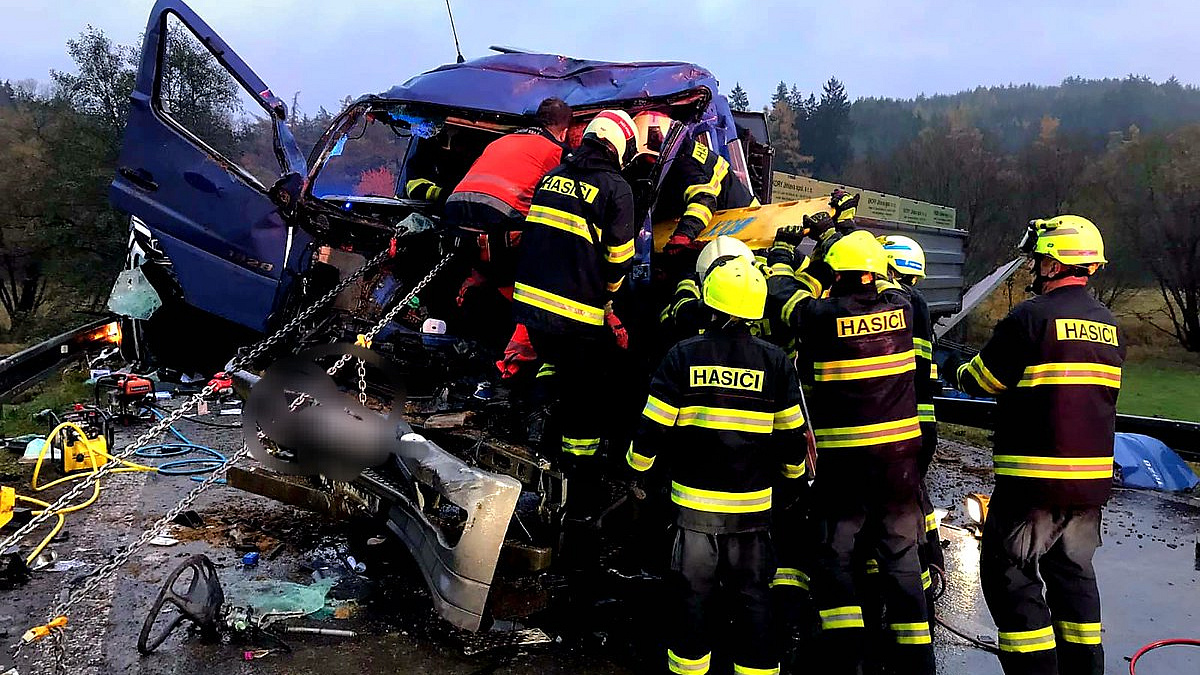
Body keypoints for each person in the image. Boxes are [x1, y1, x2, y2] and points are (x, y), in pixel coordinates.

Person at [946, 215, 1124, 675]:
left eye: (1039, 259)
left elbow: (983, 379)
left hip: (1034, 483)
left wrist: (956, 372)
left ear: (1053, 262)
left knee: (1011, 578)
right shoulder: (1108, 324)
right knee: (1075, 578)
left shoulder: (1031, 317)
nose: (1034, 268)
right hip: (1089, 484)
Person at [627, 254, 809, 675]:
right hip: (751, 509)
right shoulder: (776, 362)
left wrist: (637, 471)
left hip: (693, 510)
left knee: (692, 596)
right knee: (753, 597)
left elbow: (651, 429)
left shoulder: (682, 355)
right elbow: (792, 439)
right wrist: (792, 482)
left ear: (710, 304)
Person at [765, 229, 934, 675]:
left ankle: (847, 657)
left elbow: (781, 297)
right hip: (898, 466)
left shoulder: (820, 315)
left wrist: (791, 256)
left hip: (845, 468)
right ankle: (917, 660)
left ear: (836, 275)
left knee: (834, 555)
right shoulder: (902, 309)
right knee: (900, 559)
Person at [512, 109, 639, 470]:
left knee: (554, 365)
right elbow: (619, 259)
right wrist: (612, 298)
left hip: (532, 310)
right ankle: (577, 470)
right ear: (619, 147)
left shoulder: (552, 177)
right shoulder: (617, 189)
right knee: (588, 392)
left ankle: (537, 430)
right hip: (576, 316)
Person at [445, 98, 573, 297]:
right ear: (564, 132)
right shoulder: (558, 151)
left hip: (454, 209)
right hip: (500, 216)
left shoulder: (502, 140)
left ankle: (478, 284)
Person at [878, 234, 944, 616]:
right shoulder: (917, 305)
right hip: (923, 424)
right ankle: (927, 570)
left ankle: (905, 589)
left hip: (904, 426)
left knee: (894, 514)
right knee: (914, 499)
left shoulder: (897, 303)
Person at [630, 111, 759, 257]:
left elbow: (703, 201)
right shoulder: (682, 151)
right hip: (731, 219)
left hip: (744, 221)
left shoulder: (686, 163)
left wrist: (683, 235)